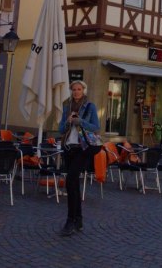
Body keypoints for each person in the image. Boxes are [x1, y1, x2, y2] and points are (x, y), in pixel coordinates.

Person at [58, 80, 101, 237]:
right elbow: (60, 129)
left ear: (84, 90)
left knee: (70, 180)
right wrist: (68, 122)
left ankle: (70, 220)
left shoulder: (90, 106)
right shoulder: (66, 106)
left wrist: (80, 121)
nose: (76, 92)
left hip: (83, 148)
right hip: (69, 147)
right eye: (74, 89)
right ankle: (78, 219)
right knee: (73, 185)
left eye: (79, 89)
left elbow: (96, 127)